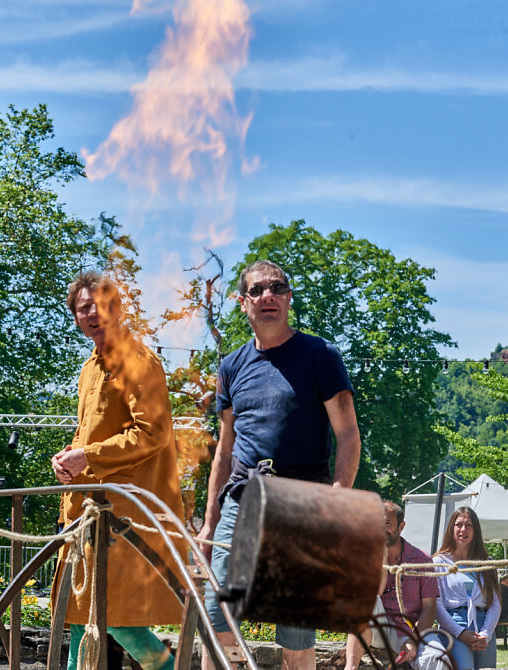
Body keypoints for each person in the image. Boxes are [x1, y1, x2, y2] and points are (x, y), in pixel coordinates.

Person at [198, 260, 361, 670]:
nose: (267, 296)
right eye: (257, 290)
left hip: (302, 499)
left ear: (288, 298)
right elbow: (224, 449)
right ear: (243, 302)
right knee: (217, 615)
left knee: (295, 633)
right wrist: (209, 522)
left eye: (276, 288)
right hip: (243, 495)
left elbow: (347, 433)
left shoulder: (320, 355)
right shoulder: (231, 365)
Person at [51, 272, 185, 670]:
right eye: (83, 307)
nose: (93, 313)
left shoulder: (138, 360)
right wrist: (68, 457)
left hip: (122, 516)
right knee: (79, 614)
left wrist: (87, 455)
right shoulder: (89, 368)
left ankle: (168, 668)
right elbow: (90, 433)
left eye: (101, 304)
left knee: (116, 618)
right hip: (86, 513)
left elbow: (153, 434)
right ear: (76, 318)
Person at [345, 501, 437, 670]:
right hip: (378, 630)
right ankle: (350, 668)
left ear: (401, 527)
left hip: (411, 629)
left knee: (437, 657)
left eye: (387, 524)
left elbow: (430, 608)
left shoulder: (422, 559)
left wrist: (413, 640)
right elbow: (376, 593)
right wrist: (381, 555)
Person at [428, 507, 500, 670]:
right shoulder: (438, 562)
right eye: (458, 524)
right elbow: (437, 605)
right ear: (451, 529)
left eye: (469, 525)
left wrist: (486, 634)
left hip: (484, 627)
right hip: (454, 626)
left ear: (476, 530)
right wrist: (460, 633)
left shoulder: (486, 562)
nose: (463, 529)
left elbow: (495, 603)